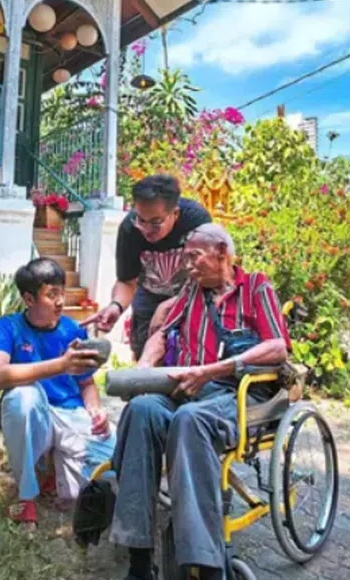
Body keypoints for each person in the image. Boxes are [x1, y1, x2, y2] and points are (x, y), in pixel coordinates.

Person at [108, 224, 290, 580]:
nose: (188, 266)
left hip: (238, 395)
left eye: (195, 257)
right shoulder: (192, 291)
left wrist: (214, 369)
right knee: (141, 411)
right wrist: (144, 370)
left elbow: (277, 346)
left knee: (190, 420)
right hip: (191, 390)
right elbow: (162, 334)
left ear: (221, 252)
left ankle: (206, 565)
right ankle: (139, 560)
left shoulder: (256, 287)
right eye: (186, 257)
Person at [0, 258, 116, 527]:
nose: (59, 301)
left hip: (70, 414)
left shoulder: (72, 330)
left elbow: (86, 383)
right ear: (29, 299)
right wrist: (61, 365)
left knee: (106, 480)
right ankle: (26, 496)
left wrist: (95, 409)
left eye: (62, 293)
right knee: (24, 397)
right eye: (51, 294)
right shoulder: (7, 327)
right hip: (34, 419)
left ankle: (50, 469)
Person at [84, 174, 211, 359]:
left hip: (192, 297)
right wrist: (116, 306)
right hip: (149, 297)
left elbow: (210, 277)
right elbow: (127, 281)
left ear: (174, 214)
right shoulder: (130, 228)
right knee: (146, 356)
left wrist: (168, 306)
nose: (145, 229)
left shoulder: (196, 222)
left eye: (155, 223)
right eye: (141, 220)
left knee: (190, 357)